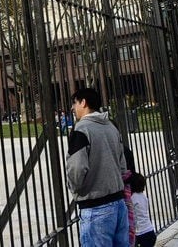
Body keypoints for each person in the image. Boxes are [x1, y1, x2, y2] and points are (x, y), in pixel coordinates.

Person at [66, 88, 128, 246]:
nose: (73, 108)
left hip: (96, 207)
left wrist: (75, 188)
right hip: (119, 202)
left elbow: (77, 168)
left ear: (84, 102)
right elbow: (122, 163)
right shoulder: (111, 126)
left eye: (74, 103)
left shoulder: (81, 129)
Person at [130, 173, 156, 247]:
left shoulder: (132, 198)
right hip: (150, 230)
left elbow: (133, 216)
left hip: (141, 232)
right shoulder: (143, 197)